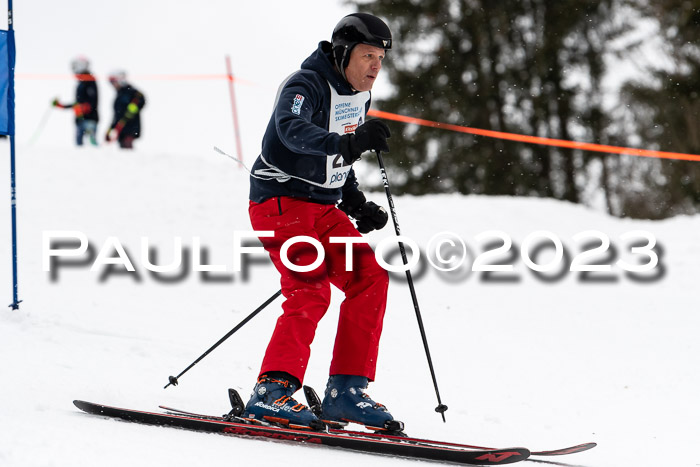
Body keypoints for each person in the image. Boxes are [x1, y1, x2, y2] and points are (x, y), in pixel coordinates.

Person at [243, 13, 399, 432]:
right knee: (309, 288)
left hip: (322, 207)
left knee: (370, 276)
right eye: (368, 55)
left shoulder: (357, 98)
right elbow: (292, 131)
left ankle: (345, 392)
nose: (375, 66)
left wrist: (354, 202)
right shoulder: (305, 85)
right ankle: (271, 392)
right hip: (280, 203)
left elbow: (337, 157)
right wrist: (348, 142)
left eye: (380, 59)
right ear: (344, 52)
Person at [52, 56, 99, 146]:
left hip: (89, 119)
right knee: (80, 145)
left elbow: (92, 100)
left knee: (91, 144)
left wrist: (84, 107)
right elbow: (78, 103)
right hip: (81, 119)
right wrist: (62, 106)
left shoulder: (89, 80)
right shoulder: (82, 82)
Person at [105, 70, 146, 149]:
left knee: (127, 148)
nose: (112, 84)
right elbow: (117, 115)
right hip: (121, 129)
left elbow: (141, 100)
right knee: (123, 149)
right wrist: (110, 129)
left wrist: (132, 110)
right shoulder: (119, 95)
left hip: (131, 128)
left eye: (114, 81)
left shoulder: (131, 92)